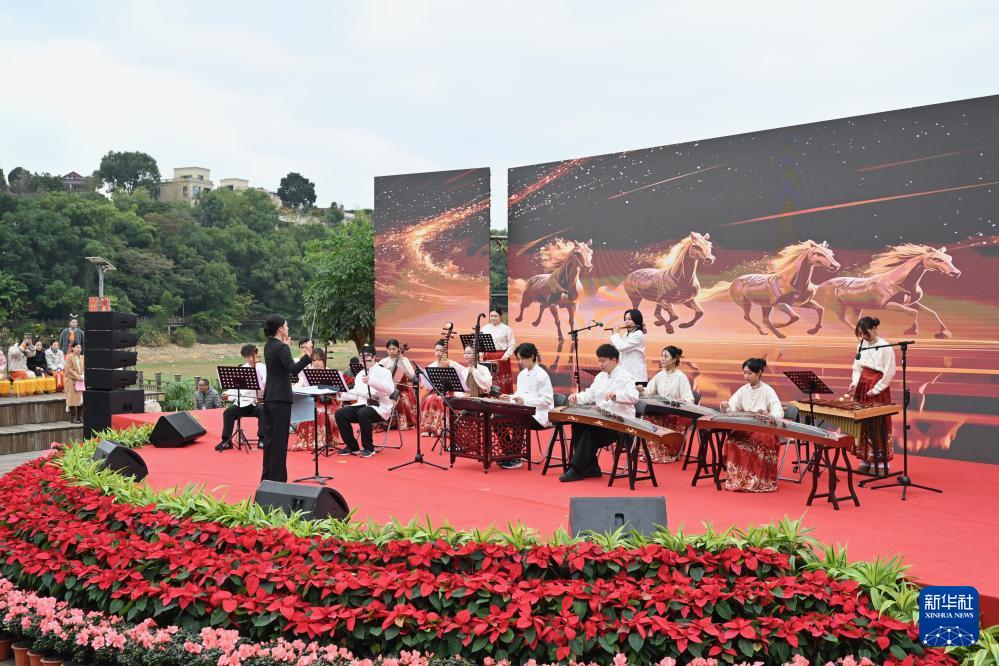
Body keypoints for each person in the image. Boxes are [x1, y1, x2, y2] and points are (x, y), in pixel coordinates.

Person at [561, 344, 639, 482]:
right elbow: (590, 394)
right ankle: (591, 468)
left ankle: (578, 468)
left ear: (614, 360)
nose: (600, 364)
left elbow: (634, 397)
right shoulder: (600, 377)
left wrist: (616, 396)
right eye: (599, 361)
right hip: (602, 419)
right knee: (578, 425)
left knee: (590, 431)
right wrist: (577, 397)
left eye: (603, 361)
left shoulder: (626, 376)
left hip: (619, 423)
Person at [260, 315, 314, 482]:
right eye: (286, 326)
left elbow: (280, 366)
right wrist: (307, 355)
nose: (288, 328)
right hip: (281, 398)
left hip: (270, 397)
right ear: (280, 329)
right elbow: (293, 369)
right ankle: (278, 481)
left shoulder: (269, 345)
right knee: (280, 442)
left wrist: (286, 347)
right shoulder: (281, 347)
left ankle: (267, 478)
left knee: (270, 441)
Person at [719, 358, 784, 493]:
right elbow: (733, 408)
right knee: (733, 440)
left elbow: (778, 411)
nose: (746, 376)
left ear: (759, 372)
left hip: (763, 429)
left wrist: (767, 415)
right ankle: (739, 479)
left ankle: (758, 480)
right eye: (744, 373)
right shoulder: (743, 390)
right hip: (746, 427)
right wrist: (726, 406)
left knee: (757, 442)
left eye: (749, 373)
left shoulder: (768, 390)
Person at [848, 316, 896, 473]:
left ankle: (881, 464)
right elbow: (857, 367)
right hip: (863, 386)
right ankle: (865, 460)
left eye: (865, 333)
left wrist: (876, 389)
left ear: (874, 328)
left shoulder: (885, 346)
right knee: (863, 424)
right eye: (861, 334)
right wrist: (855, 381)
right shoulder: (861, 345)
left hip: (877, 386)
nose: (863, 337)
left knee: (878, 423)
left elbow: (889, 372)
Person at [498, 342, 554, 470]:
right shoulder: (522, 374)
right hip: (524, 411)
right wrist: (510, 398)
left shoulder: (542, 375)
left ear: (532, 356)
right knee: (498, 419)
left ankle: (516, 458)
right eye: (519, 359)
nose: (520, 362)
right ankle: (510, 454)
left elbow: (547, 400)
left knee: (518, 420)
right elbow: (520, 394)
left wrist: (525, 401)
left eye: (523, 358)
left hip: (540, 415)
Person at [335, 344, 395, 457]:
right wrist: (341, 394)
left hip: (379, 407)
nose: (363, 360)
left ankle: (368, 448)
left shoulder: (384, 372)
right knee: (340, 413)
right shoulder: (360, 374)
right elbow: (357, 393)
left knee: (363, 413)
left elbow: (390, 390)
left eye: (366, 357)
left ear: (374, 357)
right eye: (361, 357)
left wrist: (372, 381)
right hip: (362, 405)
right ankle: (352, 446)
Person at [641, 345, 695, 463]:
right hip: (662, 411)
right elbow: (648, 392)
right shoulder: (660, 375)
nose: (662, 359)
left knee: (657, 419)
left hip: (676, 413)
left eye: (665, 356)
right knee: (647, 417)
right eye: (661, 356)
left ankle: (666, 451)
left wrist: (680, 401)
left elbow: (690, 400)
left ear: (674, 359)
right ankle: (652, 451)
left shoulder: (681, 377)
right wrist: (641, 390)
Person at [290, 348, 343, 452]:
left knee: (319, 411)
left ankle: (322, 441)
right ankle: (307, 441)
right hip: (312, 402)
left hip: (328, 402)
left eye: (319, 359)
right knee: (310, 409)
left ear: (324, 360)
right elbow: (298, 386)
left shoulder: (330, 372)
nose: (316, 362)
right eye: (314, 360)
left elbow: (339, 390)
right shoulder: (306, 373)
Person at [215, 344, 267, 452]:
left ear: (256, 354)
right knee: (228, 412)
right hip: (244, 403)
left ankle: (262, 440)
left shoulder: (263, 368)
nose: (250, 359)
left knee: (263, 410)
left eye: (252, 356)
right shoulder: (243, 369)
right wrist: (227, 394)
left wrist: (259, 383)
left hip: (259, 402)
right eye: (247, 357)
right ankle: (226, 441)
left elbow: (267, 386)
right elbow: (235, 388)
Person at [377, 339, 416, 430]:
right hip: (387, 389)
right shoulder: (383, 361)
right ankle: (383, 420)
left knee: (403, 400)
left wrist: (402, 360)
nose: (391, 351)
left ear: (398, 349)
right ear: (386, 350)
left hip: (402, 389)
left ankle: (405, 422)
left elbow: (412, 375)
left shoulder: (404, 360)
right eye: (389, 349)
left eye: (394, 349)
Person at [481, 308, 517, 394]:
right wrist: (480, 355)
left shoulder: (507, 329)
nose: (493, 318)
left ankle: (504, 394)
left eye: (495, 316)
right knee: (489, 377)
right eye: (491, 316)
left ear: (500, 316)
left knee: (501, 378)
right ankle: (488, 396)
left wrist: (506, 355)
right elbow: (481, 344)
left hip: (501, 357)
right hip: (488, 356)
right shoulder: (484, 328)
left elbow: (512, 344)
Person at [609, 308, 648, 384]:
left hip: (637, 377)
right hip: (626, 375)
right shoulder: (626, 335)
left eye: (630, 319)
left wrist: (616, 334)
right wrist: (614, 334)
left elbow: (621, 347)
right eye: (625, 319)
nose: (627, 322)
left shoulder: (638, 335)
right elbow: (616, 346)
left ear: (636, 320)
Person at [64, 343, 85, 423]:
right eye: (77, 347)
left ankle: (80, 417)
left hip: (81, 380)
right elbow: (68, 369)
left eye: (80, 347)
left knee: (81, 399)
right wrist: (77, 376)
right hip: (71, 380)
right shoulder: (69, 357)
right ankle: (73, 418)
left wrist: (82, 376)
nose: (79, 349)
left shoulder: (82, 357)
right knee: (72, 399)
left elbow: (84, 368)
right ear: (73, 348)